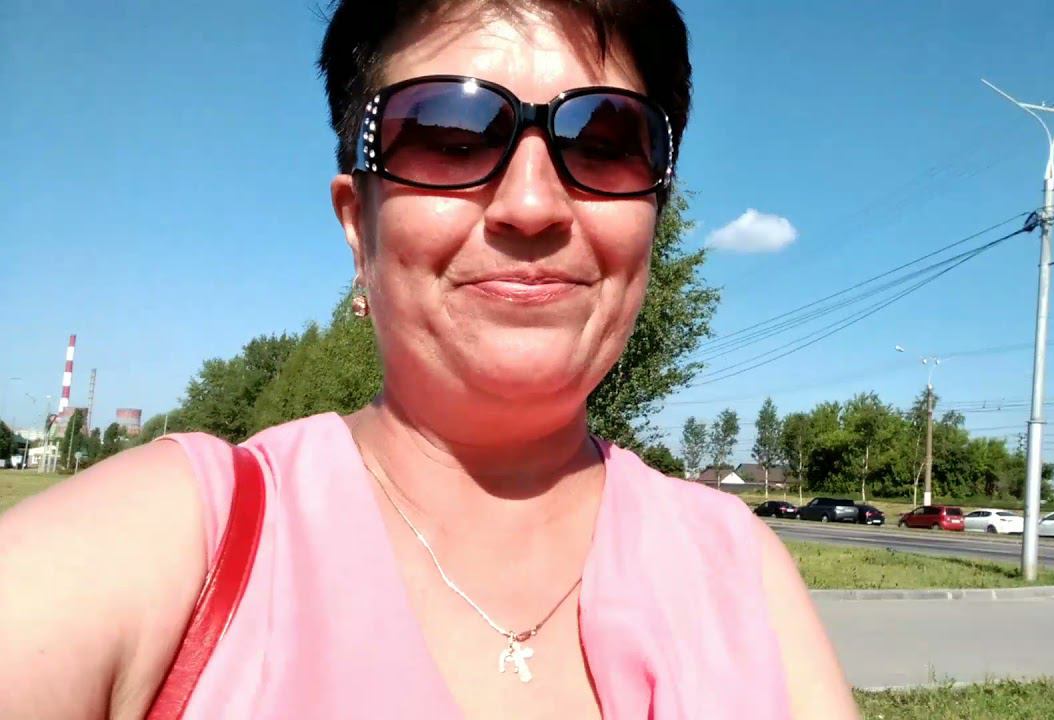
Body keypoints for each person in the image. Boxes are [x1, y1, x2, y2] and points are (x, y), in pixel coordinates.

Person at [0, 1, 858, 717]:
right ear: (357, 224)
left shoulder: (739, 572)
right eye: (448, 136)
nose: (532, 205)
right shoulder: (174, 543)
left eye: (604, 141)